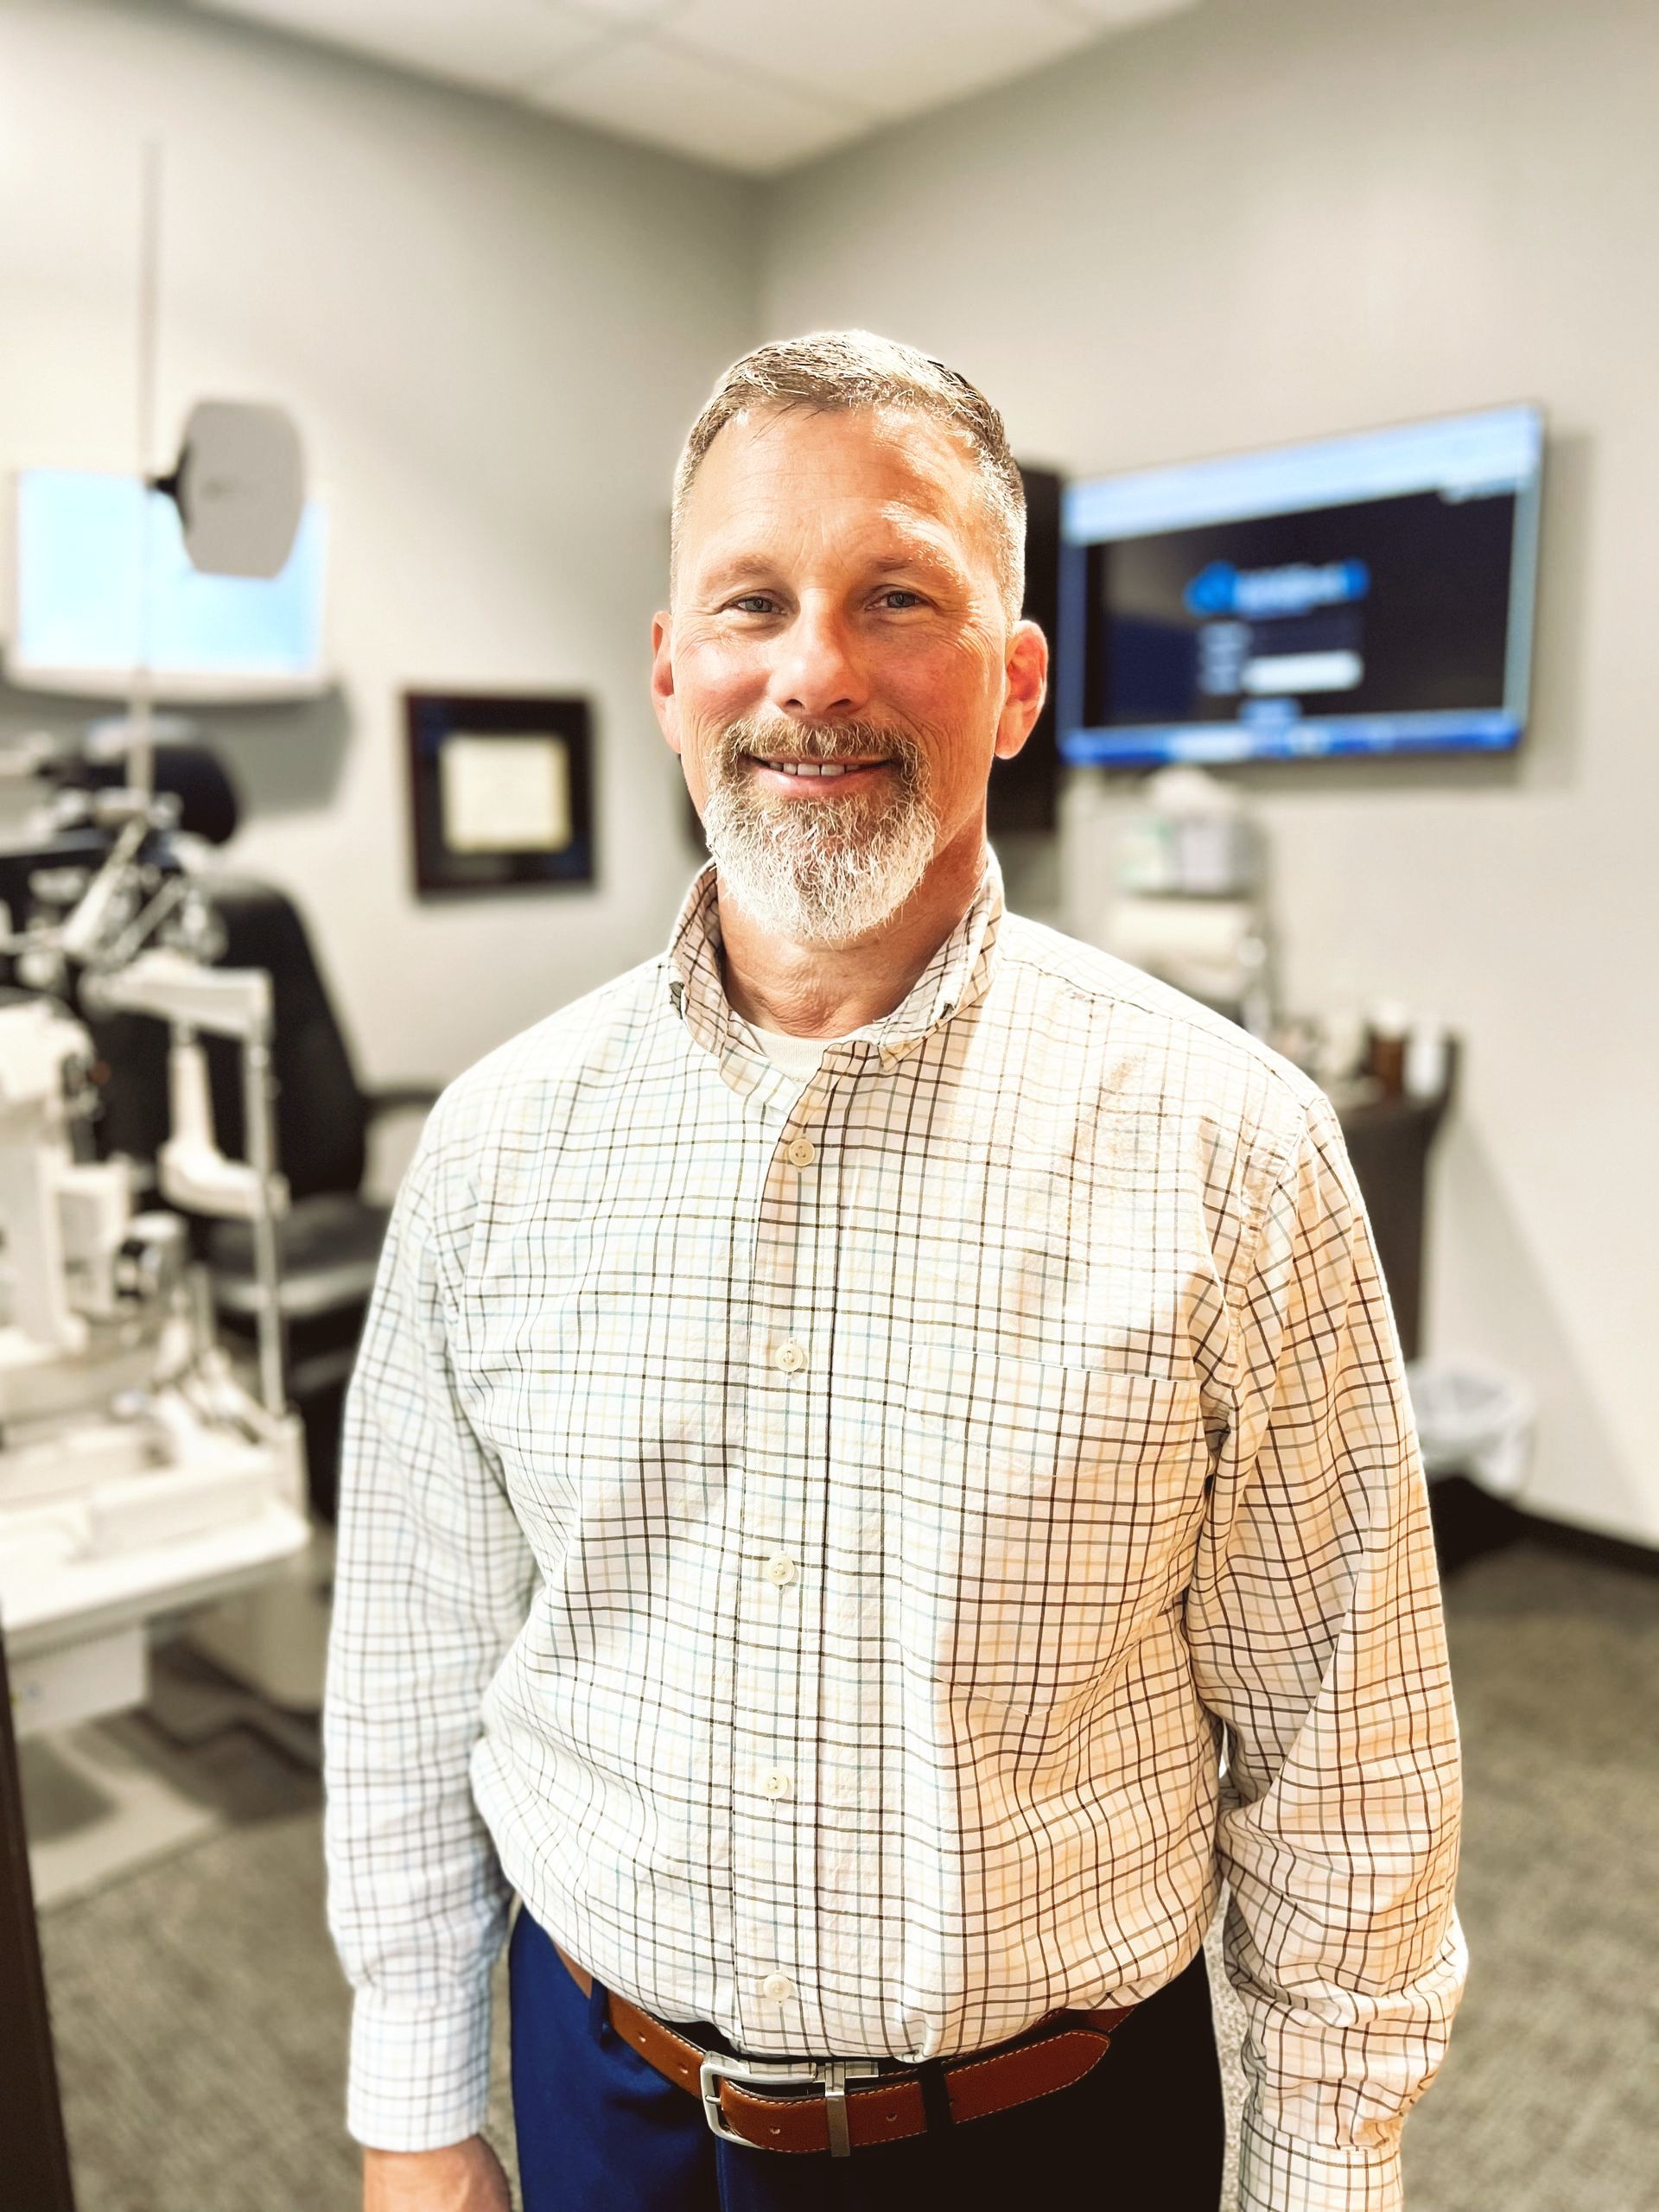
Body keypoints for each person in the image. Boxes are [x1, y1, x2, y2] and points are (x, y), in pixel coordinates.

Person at [325, 332, 1465, 2212]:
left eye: (898, 596)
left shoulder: (1232, 1149)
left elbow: (1345, 1758)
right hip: (603, 2092)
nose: (815, 673)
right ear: (671, 668)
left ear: (1014, 683)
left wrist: (1323, 2174)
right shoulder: (498, 1143)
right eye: (753, 601)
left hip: (1049, 2137)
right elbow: (410, 1669)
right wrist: (417, 2111)